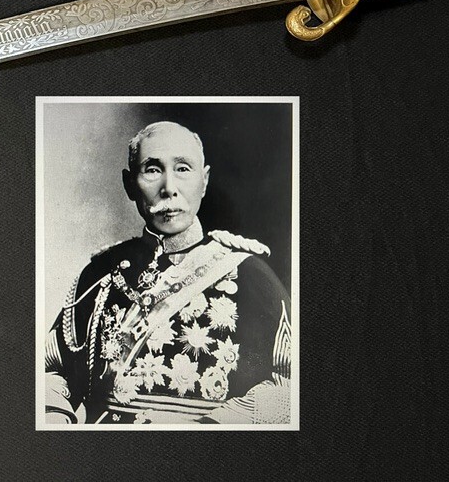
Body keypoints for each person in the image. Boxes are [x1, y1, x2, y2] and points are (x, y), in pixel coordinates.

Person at [44, 121, 291, 425]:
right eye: (152, 169)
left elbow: (288, 387)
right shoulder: (100, 274)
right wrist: (55, 422)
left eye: (183, 169)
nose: (169, 188)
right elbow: (50, 370)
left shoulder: (249, 274)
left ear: (204, 180)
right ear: (129, 183)